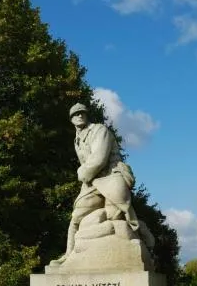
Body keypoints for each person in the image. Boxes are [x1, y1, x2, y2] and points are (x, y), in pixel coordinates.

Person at [58, 103, 139, 262]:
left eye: (83, 113)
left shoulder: (99, 130)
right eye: (76, 114)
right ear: (71, 119)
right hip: (93, 181)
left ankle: (140, 230)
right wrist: (86, 176)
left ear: (87, 115)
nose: (80, 116)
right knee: (76, 217)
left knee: (116, 213)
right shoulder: (77, 140)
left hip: (110, 175)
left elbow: (99, 159)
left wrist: (82, 172)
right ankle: (68, 254)